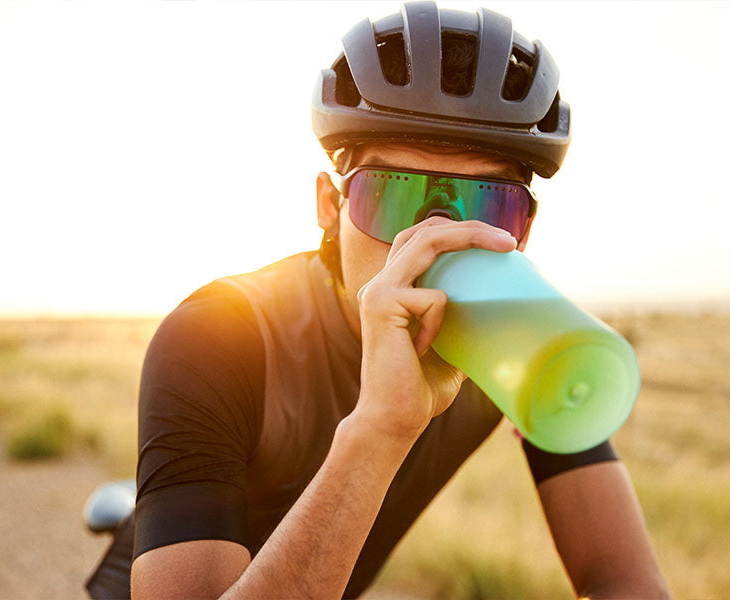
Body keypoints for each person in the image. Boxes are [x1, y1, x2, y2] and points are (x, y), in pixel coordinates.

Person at [121, 2, 670, 598]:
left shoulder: (519, 337)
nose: (432, 242)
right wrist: (381, 431)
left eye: (486, 203)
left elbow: (625, 582)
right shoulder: (218, 335)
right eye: (394, 195)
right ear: (330, 208)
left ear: (521, 233)